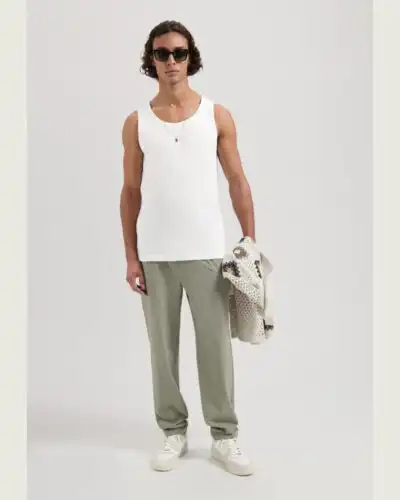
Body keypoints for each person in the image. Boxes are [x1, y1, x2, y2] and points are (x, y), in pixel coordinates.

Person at [120, 20, 256, 476]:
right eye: (162, 54)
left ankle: (224, 436)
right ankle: (172, 430)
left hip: (206, 251)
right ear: (151, 60)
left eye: (179, 53)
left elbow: (237, 180)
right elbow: (130, 192)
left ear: (190, 57)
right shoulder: (136, 122)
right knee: (162, 349)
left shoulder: (216, 115)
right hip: (155, 253)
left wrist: (249, 241)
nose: (171, 61)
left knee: (215, 346)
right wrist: (131, 256)